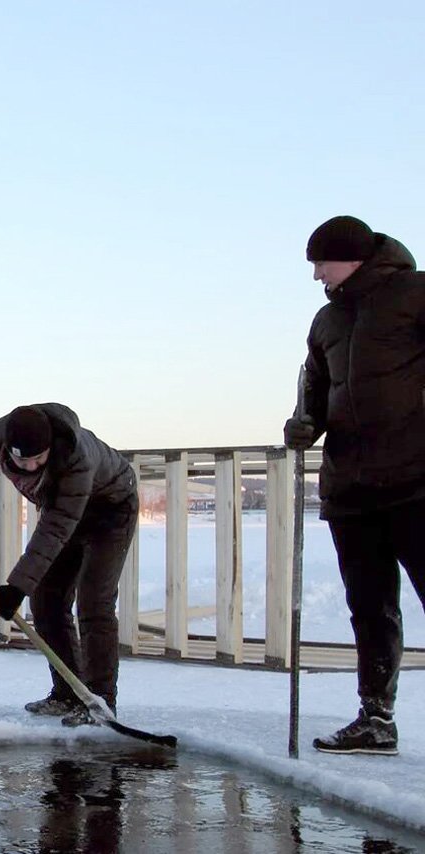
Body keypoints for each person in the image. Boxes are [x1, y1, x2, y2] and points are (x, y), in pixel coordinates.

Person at [284, 215, 425, 757]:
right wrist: (302, 424)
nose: (316, 274)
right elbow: (313, 391)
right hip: (351, 491)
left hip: (416, 483)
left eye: (321, 262)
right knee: (370, 607)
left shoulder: (415, 294)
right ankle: (376, 717)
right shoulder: (326, 321)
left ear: (352, 257)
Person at [0, 404, 138, 727]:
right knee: (46, 600)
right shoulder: (2, 431)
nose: (31, 466)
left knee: (95, 601)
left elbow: (56, 528)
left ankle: (100, 703)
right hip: (63, 512)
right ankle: (67, 694)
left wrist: (17, 585)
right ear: (7, 448)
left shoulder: (77, 459)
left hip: (111, 510)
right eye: (22, 461)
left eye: (38, 459)